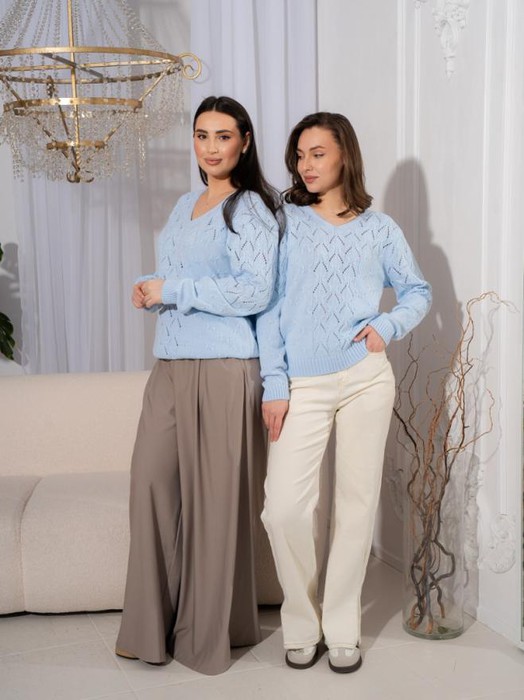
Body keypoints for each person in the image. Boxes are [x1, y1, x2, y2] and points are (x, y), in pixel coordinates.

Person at [257, 112, 432, 673]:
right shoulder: (284, 221)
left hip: (365, 379)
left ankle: (341, 627)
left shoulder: (380, 229)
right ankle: (301, 621)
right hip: (301, 383)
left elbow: (417, 291)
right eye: (299, 155)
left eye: (317, 153)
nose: (305, 165)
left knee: (355, 506)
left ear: (344, 156)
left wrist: (386, 326)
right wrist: (275, 383)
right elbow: (268, 307)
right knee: (283, 509)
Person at [115, 96, 282, 676]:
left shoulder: (252, 208)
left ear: (244, 141)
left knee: (214, 506)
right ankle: (148, 628)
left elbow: (256, 290)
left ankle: (205, 636)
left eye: (223, 136)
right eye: (202, 135)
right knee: (149, 484)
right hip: (170, 364)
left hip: (224, 367)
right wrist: (150, 286)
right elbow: (182, 275)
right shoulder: (184, 203)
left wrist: (173, 290)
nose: (211, 147)